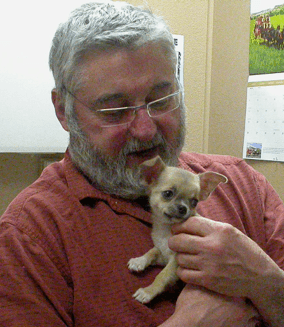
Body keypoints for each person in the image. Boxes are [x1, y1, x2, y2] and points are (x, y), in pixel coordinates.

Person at [0, 1, 283, 326]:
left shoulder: (243, 186)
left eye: (161, 99)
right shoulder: (29, 236)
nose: (146, 129)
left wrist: (266, 282)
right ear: (63, 111)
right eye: (115, 110)